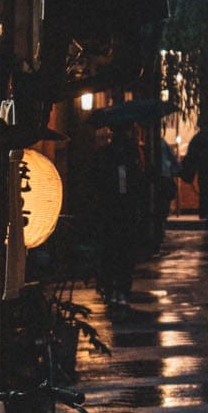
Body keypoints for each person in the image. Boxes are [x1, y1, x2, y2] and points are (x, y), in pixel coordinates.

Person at [91, 126, 148, 308]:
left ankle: (118, 287)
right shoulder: (111, 155)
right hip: (116, 209)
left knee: (119, 251)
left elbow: (138, 181)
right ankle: (115, 287)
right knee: (118, 251)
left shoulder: (130, 155)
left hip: (121, 209)